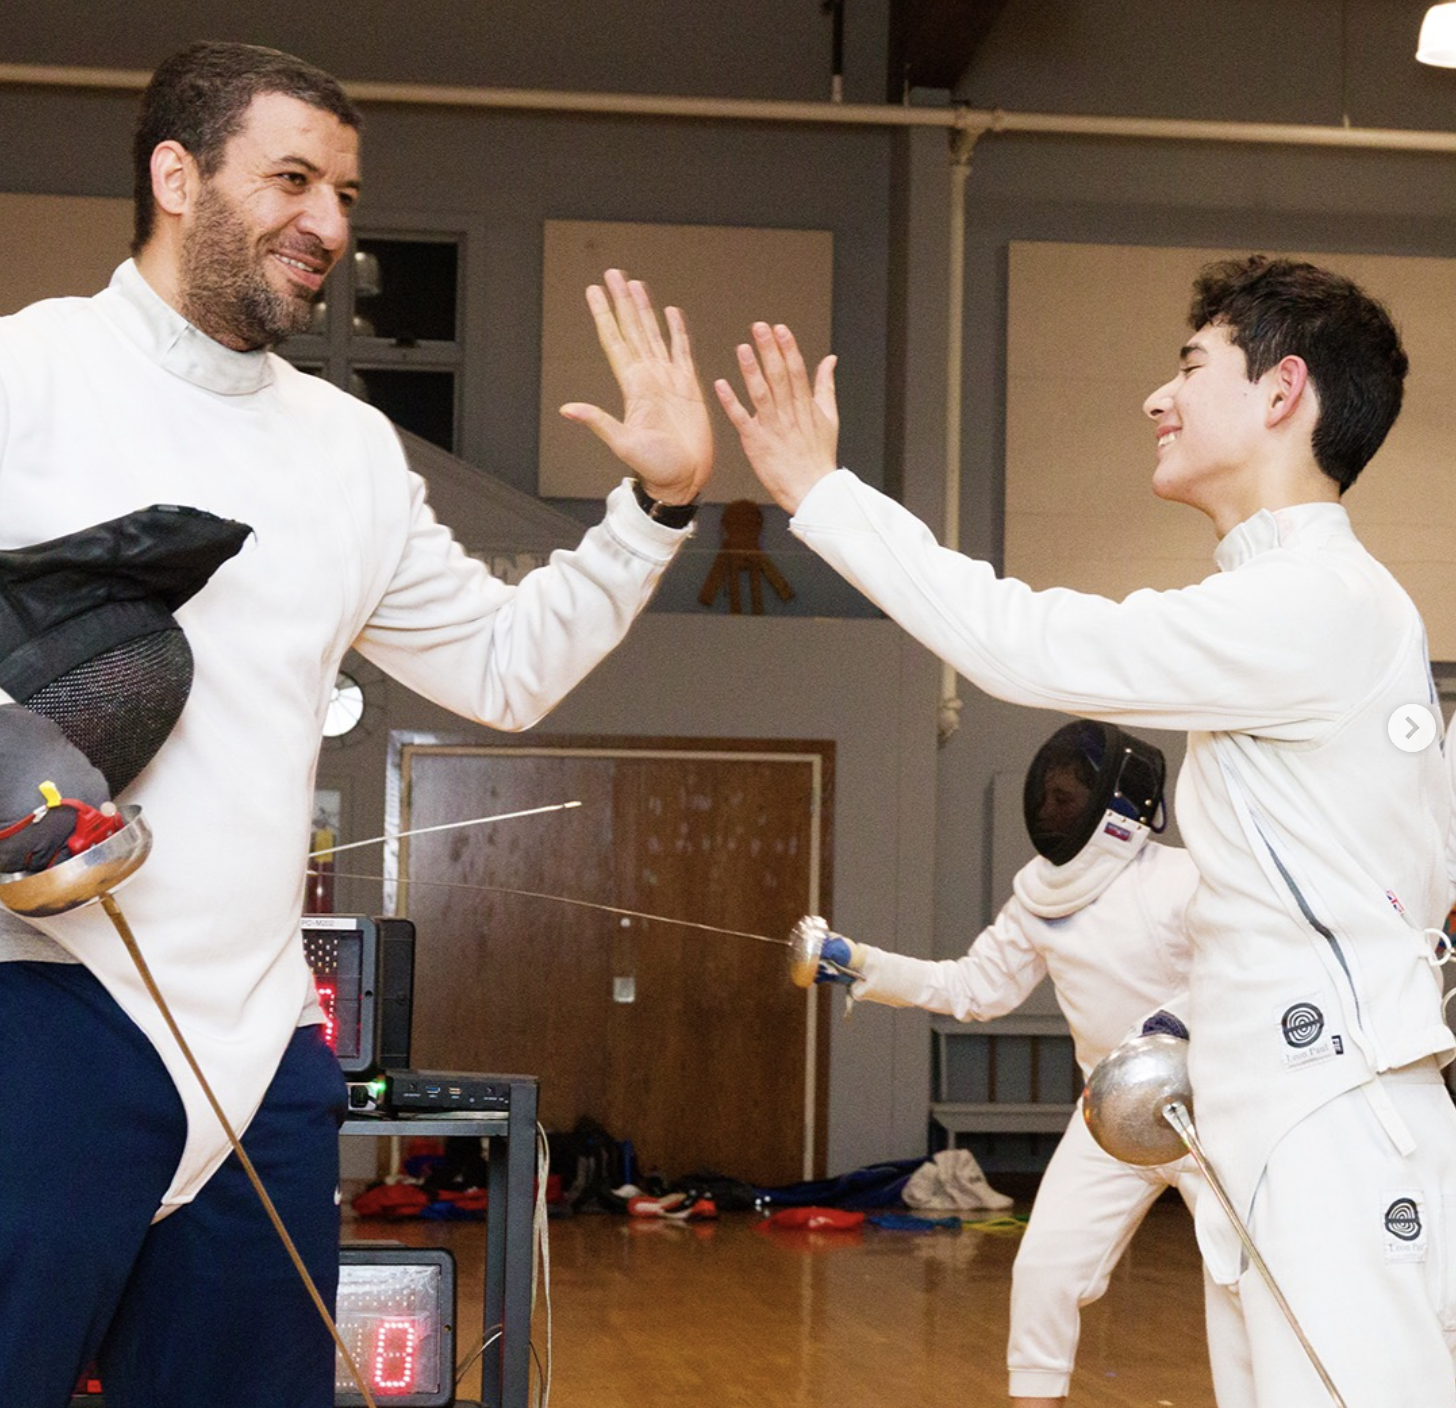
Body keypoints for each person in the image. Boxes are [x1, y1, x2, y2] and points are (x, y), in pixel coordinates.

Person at [0, 40, 712, 1408]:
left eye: (343, 191)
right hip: (42, 1012)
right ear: (174, 175)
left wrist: (654, 512)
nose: (327, 223)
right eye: (290, 178)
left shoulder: (345, 451)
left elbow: (504, 668)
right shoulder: (31, 375)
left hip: (262, 1053)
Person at [717, 257, 1456, 1407]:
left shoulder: (1318, 603)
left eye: (1190, 366)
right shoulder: (1307, 610)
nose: (1157, 399)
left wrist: (823, 494)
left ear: (1281, 391)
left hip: (1331, 1118)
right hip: (1265, 1116)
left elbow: (1024, 645)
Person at [813, 719, 1204, 1407]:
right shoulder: (1038, 899)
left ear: (1114, 807)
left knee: (1249, 1280)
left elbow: (1246, 973)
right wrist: (864, 965)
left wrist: (1174, 1025)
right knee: (1044, 1272)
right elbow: (972, 988)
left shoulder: (1184, 878)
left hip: (1213, 1109)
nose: (1050, 812)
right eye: (1047, 798)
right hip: (1112, 1117)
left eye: (1065, 800)